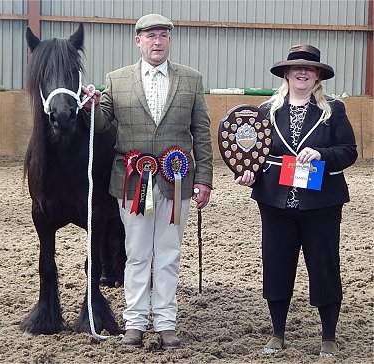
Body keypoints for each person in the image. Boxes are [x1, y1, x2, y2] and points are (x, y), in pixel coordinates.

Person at [82, 14, 213, 349]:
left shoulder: (192, 80)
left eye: (164, 36)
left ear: (169, 40)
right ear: (137, 40)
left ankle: (167, 322)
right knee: (136, 254)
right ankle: (135, 322)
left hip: (177, 180)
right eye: (151, 36)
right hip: (131, 181)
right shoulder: (116, 80)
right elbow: (101, 123)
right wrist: (91, 105)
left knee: (168, 254)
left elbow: (201, 134)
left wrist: (205, 179)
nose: (158, 42)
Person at [235, 44, 357, 357]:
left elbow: (349, 151)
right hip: (275, 202)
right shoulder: (267, 110)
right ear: (287, 73)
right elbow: (256, 155)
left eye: (309, 68)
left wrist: (322, 154)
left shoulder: (334, 109)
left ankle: (328, 335)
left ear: (318, 75)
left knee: (324, 266)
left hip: (321, 203)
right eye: (296, 68)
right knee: (276, 265)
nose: (302, 72)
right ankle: (277, 332)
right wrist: (249, 173)